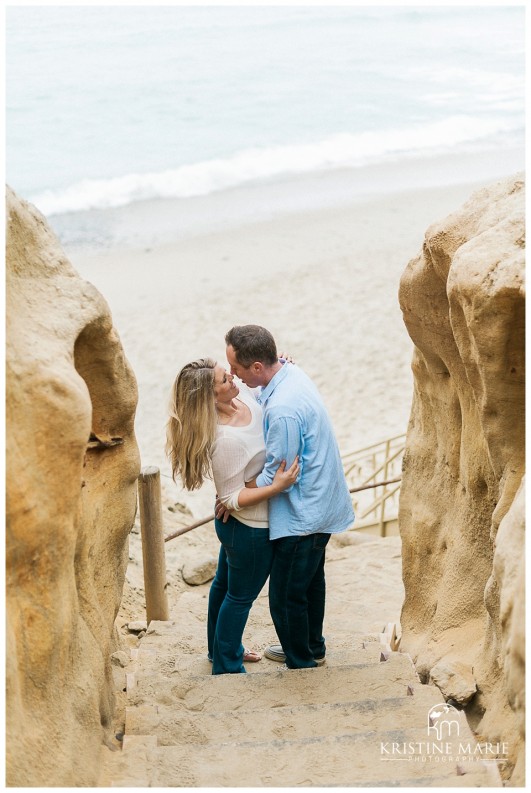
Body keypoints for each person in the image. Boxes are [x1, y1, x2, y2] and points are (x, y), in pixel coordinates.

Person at [222, 325, 355, 670]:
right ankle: (312, 647)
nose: (234, 377)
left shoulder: (281, 409)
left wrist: (238, 491)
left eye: (236, 369)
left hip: (304, 513)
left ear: (256, 367)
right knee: (311, 582)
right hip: (324, 500)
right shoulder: (290, 373)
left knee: (284, 596)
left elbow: (276, 473)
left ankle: (301, 662)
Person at [165, 357, 299, 675]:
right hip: (248, 530)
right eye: (225, 380)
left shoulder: (243, 397)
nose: (233, 380)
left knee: (224, 587)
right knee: (239, 598)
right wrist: (277, 486)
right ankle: (226, 666)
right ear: (210, 398)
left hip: (237, 526)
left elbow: (264, 389)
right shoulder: (224, 440)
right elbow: (231, 498)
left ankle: (220, 650)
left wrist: (281, 369)